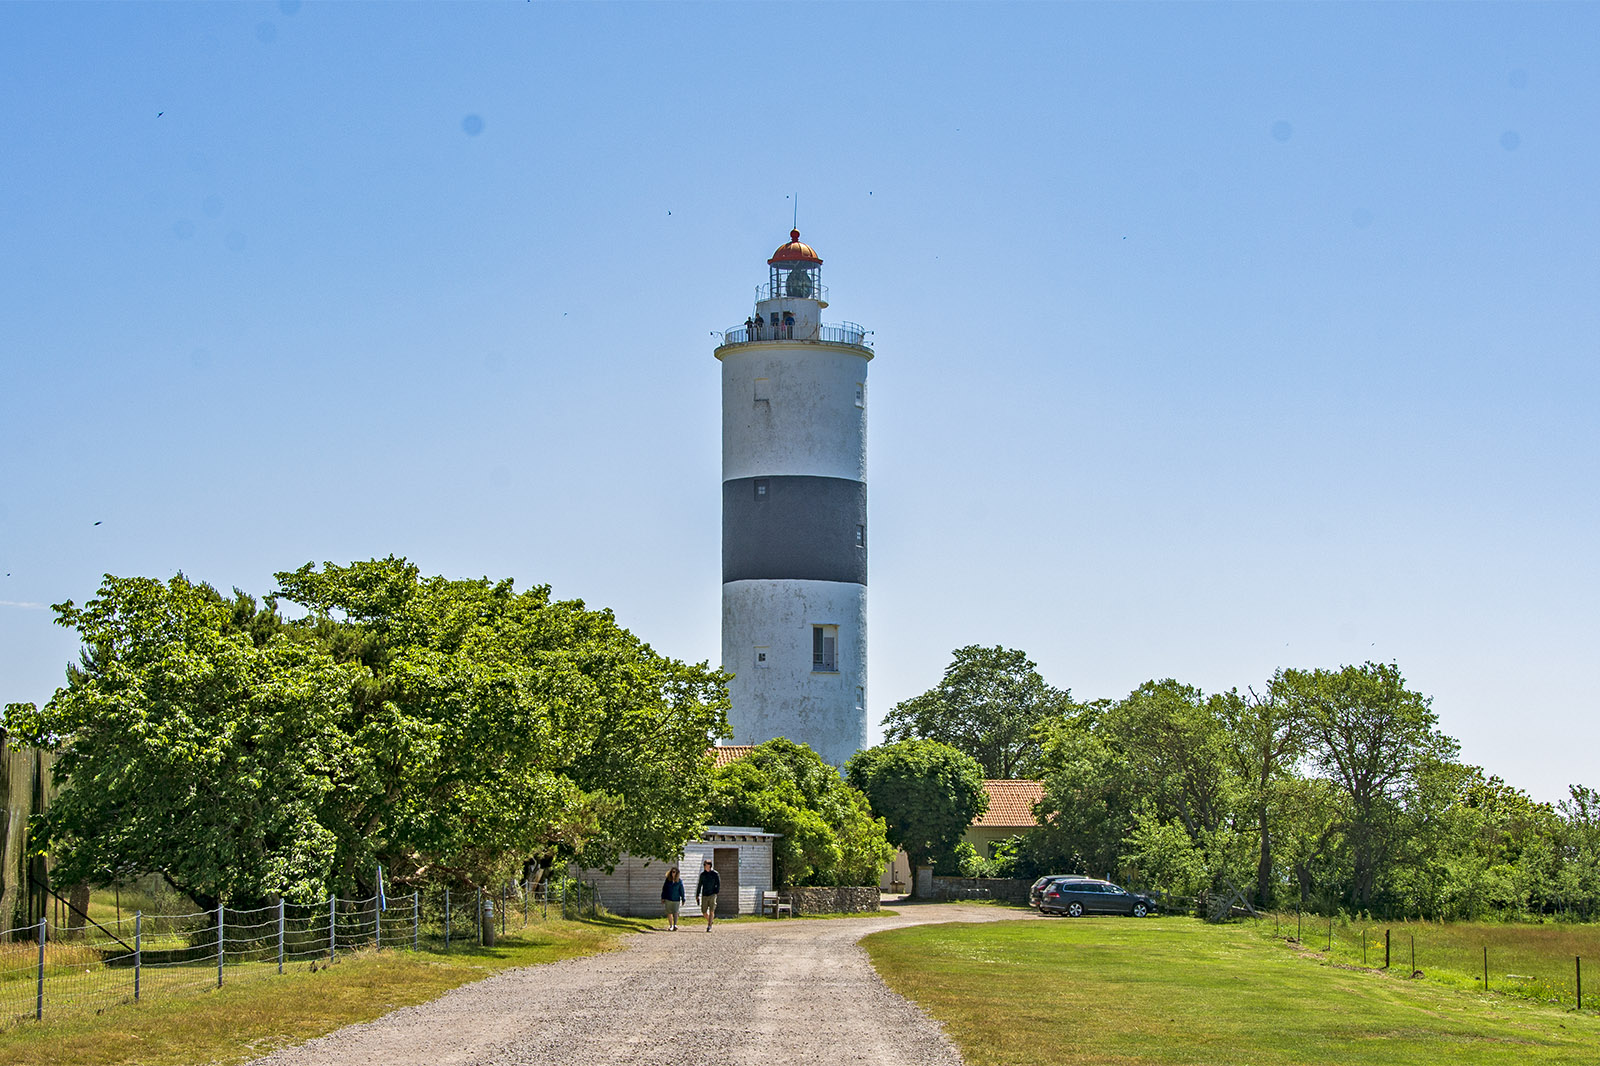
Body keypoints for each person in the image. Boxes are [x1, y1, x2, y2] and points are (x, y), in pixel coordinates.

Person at [695, 857, 721, 931]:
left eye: (706, 864)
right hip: (705, 894)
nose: (704, 866)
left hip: (712, 894)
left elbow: (718, 884)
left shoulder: (715, 874)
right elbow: (700, 885)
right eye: (704, 865)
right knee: (704, 911)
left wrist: (716, 891)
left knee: (712, 910)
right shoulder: (702, 875)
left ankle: (709, 926)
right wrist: (697, 894)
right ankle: (710, 920)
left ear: (709, 865)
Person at [660, 866, 685, 931]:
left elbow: (681, 890)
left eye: (674, 872)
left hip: (676, 899)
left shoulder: (679, 881)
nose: (673, 873)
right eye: (672, 872)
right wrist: (663, 897)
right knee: (669, 912)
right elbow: (664, 889)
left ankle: (675, 924)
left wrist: (683, 898)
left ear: (677, 873)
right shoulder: (668, 880)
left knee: (676, 912)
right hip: (668, 898)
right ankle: (671, 925)